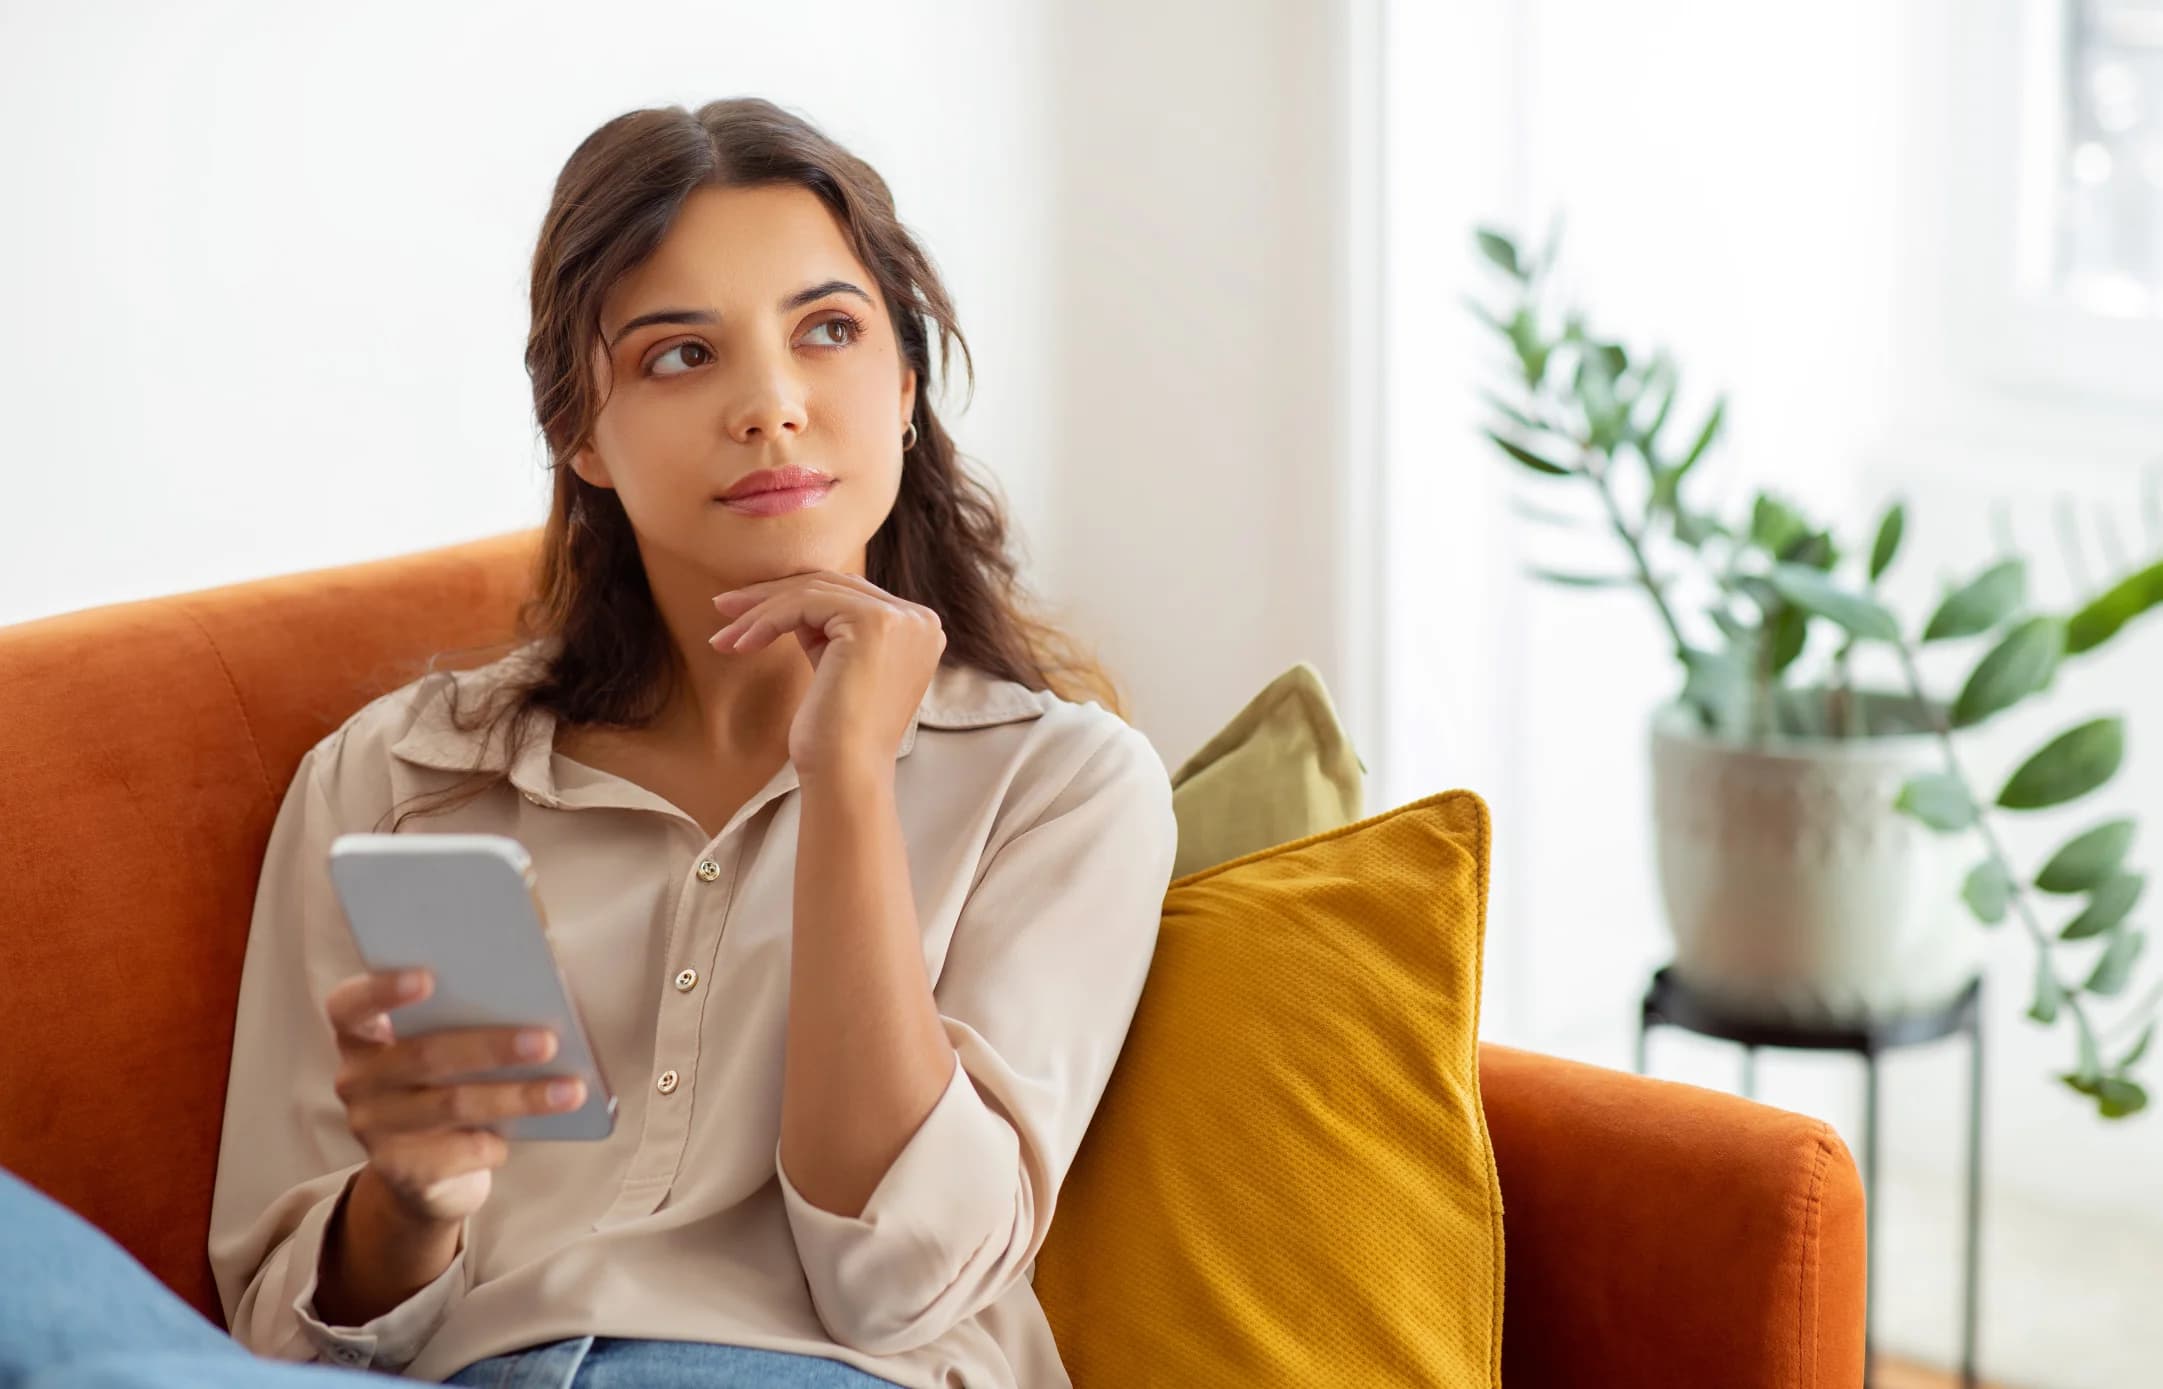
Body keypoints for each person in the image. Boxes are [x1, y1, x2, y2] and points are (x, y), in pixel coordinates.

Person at [0, 95, 1176, 1389]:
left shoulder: (1063, 785)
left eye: (828, 331)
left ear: (904, 387)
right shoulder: (394, 774)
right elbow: (282, 1332)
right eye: (683, 355)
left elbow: (896, 1277)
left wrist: (845, 778)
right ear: (579, 432)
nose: (772, 406)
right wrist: (410, 1201)